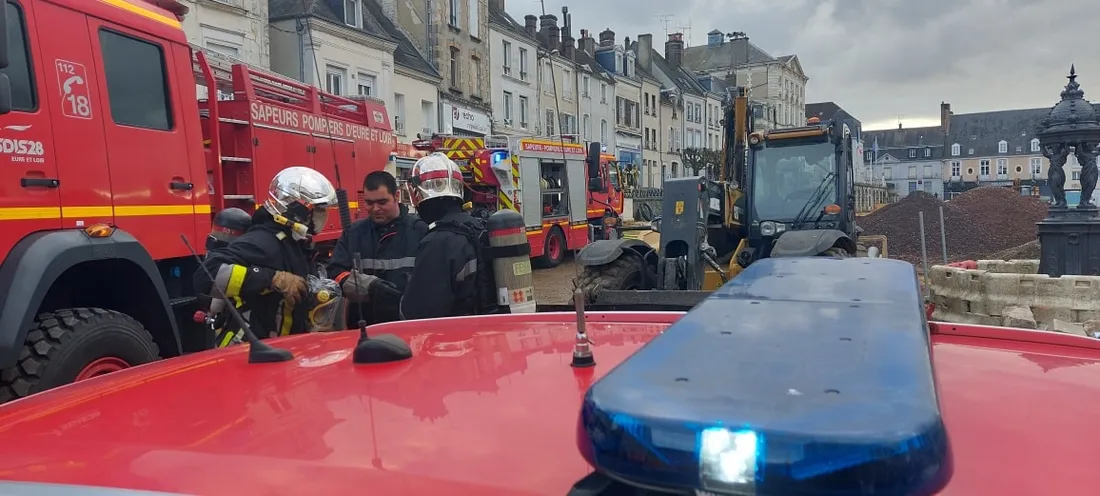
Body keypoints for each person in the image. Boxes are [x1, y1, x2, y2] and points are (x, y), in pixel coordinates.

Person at [194, 166, 337, 345]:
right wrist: (272, 279)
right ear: (297, 209)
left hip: (281, 349)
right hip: (247, 352)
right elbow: (207, 276)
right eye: (319, 209)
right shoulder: (264, 241)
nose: (324, 215)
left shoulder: (294, 243)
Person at [400, 153, 499, 320]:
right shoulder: (479, 228)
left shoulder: (437, 242)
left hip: (456, 338)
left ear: (419, 194)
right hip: (487, 332)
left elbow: (418, 312)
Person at [327, 170, 428, 325]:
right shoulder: (353, 234)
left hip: (408, 325)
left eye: (382, 202)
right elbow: (335, 273)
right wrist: (369, 285)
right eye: (369, 203)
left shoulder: (420, 231)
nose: (375, 209)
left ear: (396, 196)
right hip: (364, 327)